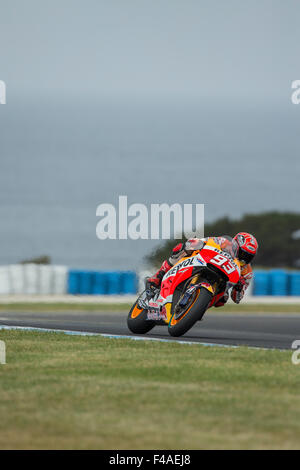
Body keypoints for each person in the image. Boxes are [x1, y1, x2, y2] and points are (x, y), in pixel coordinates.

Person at [146, 232, 258, 306]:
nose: (244, 258)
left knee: (222, 300)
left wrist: (239, 287)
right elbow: (203, 241)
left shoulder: (247, 272)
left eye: (248, 256)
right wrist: (196, 243)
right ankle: (158, 276)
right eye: (243, 253)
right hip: (207, 262)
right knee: (180, 248)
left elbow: (237, 299)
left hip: (221, 282)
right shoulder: (223, 242)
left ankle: (196, 306)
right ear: (235, 245)